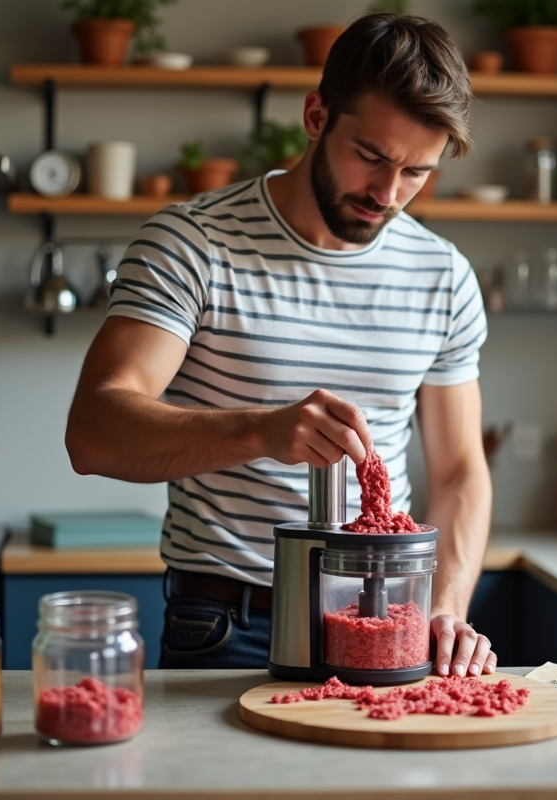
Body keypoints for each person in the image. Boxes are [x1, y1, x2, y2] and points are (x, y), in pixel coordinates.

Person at [65, 13, 495, 679]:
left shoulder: (443, 276)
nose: (387, 195)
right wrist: (262, 431)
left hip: (389, 621)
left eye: (417, 172)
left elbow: (460, 471)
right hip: (228, 626)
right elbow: (93, 432)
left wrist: (444, 607)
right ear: (317, 114)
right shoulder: (192, 244)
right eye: (372, 157)